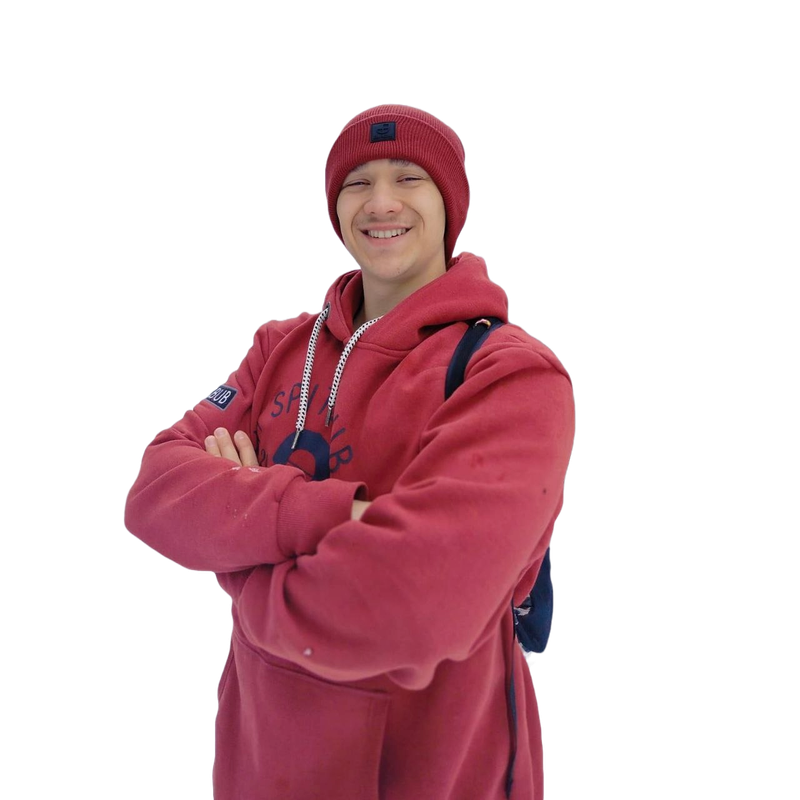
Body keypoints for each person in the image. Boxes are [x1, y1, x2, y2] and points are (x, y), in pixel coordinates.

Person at [123, 102, 576, 800]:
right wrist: (338, 516)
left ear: (451, 204)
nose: (381, 202)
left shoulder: (510, 374)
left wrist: (240, 567)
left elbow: (416, 606)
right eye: (358, 182)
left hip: (434, 770)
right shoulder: (279, 348)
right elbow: (154, 493)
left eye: (409, 178)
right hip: (259, 766)